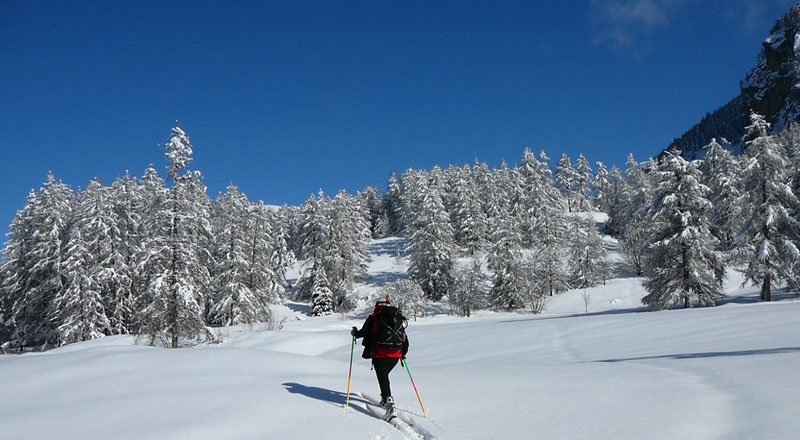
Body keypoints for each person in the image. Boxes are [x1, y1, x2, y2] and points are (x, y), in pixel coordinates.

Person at [351, 296, 409, 417]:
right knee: (384, 377)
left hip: (380, 354)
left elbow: (363, 332)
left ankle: (389, 403)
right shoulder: (397, 318)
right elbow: (404, 338)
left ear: (377, 305)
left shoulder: (374, 317)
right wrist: (403, 353)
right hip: (396, 355)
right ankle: (385, 398)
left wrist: (355, 333)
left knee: (383, 378)